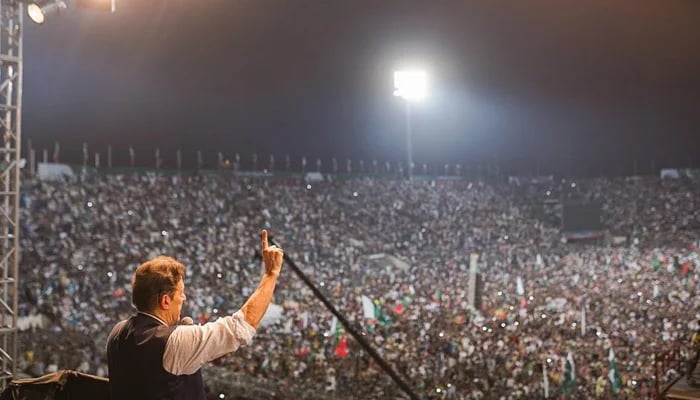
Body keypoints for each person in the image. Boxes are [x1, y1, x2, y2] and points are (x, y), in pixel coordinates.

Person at [107, 230, 283, 400]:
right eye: (181, 293)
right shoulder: (173, 342)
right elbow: (241, 326)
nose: (184, 298)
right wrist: (271, 274)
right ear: (165, 301)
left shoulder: (117, 332)